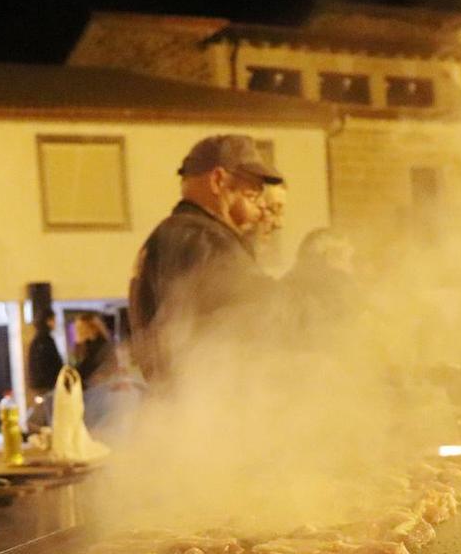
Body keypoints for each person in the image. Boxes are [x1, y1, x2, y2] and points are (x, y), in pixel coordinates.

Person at [128, 134, 285, 382]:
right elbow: (256, 306)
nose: (259, 210)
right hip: (210, 402)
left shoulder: (174, 236)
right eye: (252, 195)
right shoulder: (202, 239)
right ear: (218, 180)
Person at [272, 227, 361, 347]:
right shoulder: (327, 291)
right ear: (331, 257)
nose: (352, 268)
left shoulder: (285, 285)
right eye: (348, 259)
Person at [72, 311, 118, 388]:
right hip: (87, 388)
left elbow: (109, 367)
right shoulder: (84, 345)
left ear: (90, 327)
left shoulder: (101, 346)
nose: (77, 331)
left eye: (80, 328)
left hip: (97, 390)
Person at [28, 307, 64, 395]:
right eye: (53, 320)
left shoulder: (37, 340)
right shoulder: (45, 340)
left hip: (40, 385)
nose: (55, 323)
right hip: (47, 386)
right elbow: (52, 363)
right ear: (48, 321)